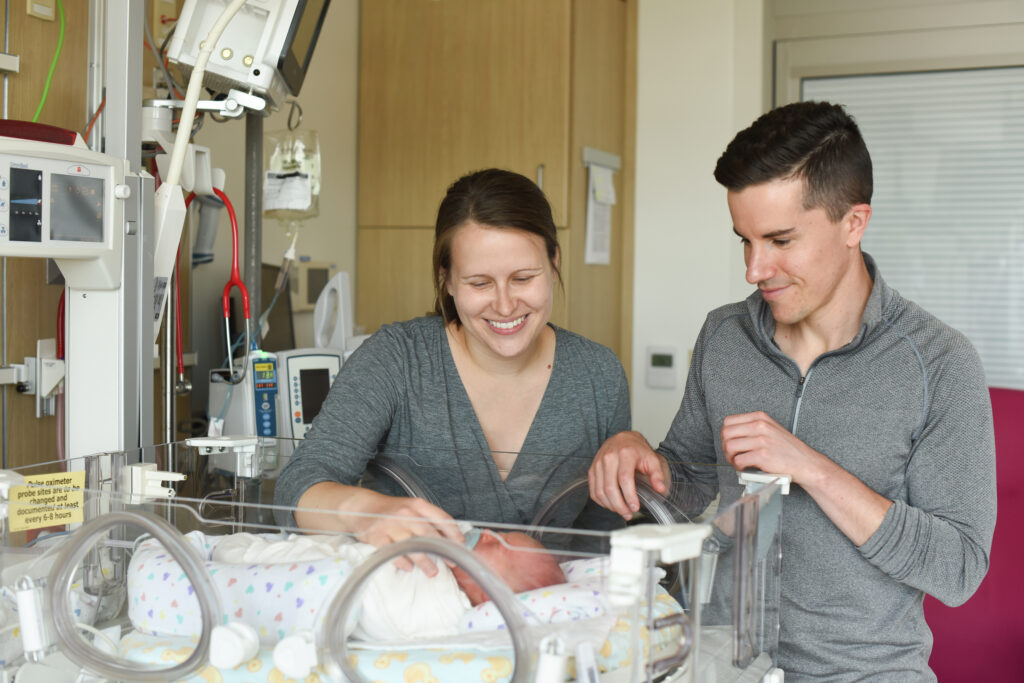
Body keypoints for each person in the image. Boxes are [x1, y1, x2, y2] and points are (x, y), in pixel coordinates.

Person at [588, 101, 997, 680]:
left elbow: (958, 568)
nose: (755, 269)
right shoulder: (724, 335)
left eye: (780, 240)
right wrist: (635, 454)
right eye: (745, 241)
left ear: (854, 223)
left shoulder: (940, 363)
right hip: (724, 661)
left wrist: (813, 469)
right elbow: (689, 482)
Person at [274, 168, 629, 573]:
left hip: (548, 622)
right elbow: (296, 488)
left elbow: (604, 543)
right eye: (479, 284)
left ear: (554, 261)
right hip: (417, 615)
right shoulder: (396, 361)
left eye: (523, 278)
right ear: (446, 281)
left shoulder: (598, 376)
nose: (505, 304)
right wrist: (365, 510)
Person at [129, 528, 567, 643]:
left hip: (327, 582)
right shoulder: (444, 566)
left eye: (502, 546)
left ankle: (220, 557)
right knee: (279, 551)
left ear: (491, 596)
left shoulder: (445, 609)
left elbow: (393, 615)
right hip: (338, 555)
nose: (489, 535)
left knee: (258, 559)